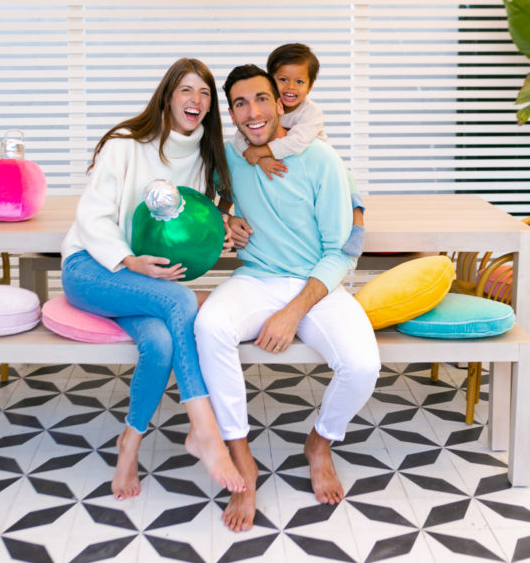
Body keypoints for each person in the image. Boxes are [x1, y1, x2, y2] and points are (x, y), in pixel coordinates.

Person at [195, 64, 380, 532]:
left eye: (261, 99)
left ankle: (320, 443)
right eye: (239, 103)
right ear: (231, 113)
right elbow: (213, 199)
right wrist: (223, 218)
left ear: (281, 102)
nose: (252, 112)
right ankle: (242, 458)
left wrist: (291, 312)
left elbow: (341, 251)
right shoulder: (234, 155)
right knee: (209, 326)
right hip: (257, 278)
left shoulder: (322, 160)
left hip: (318, 285)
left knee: (362, 365)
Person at [61, 58, 246, 501]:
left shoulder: (205, 159)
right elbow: (92, 216)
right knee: (182, 302)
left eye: (204, 93)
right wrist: (127, 260)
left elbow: (192, 223)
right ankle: (204, 429)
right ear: (167, 96)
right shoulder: (126, 145)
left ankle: (129, 445)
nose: (196, 100)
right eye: (186, 90)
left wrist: (225, 223)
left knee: (161, 342)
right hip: (92, 268)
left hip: (145, 284)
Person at [232, 43, 364, 258]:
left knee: (347, 183)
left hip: (312, 163)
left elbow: (296, 143)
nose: (290, 87)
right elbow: (241, 136)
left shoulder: (311, 112)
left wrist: (261, 151)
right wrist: (260, 159)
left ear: (310, 87)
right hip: (285, 165)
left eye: (299, 82)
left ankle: (358, 226)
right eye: (283, 79)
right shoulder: (266, 106)